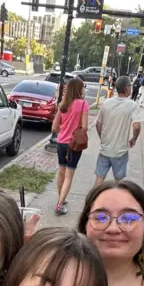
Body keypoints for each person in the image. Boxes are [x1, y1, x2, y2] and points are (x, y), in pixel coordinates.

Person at [94, 77, 142, 186]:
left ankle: (93, 200)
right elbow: (136, 127)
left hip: (105, 149)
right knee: (120, 181)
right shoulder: (132, 105)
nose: (131, 88)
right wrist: (134, 138)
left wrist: (102, 138)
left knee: (99, 178)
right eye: (130, 86)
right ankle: (119, 200)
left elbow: (98, 124)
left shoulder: (106, 103)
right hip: (120, 151)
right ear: (126, 89)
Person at [52, 77, 89, 217]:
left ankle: (61, 198)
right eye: (82, 87)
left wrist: (65, 128)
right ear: (79, 89)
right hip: (73, 145)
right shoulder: (83, 104)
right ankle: (59, 206)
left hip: (61, 143)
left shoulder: (63, 105)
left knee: (61, 172)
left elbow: (54, 127)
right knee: (69, 176)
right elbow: (85, 127)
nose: (83, 89)